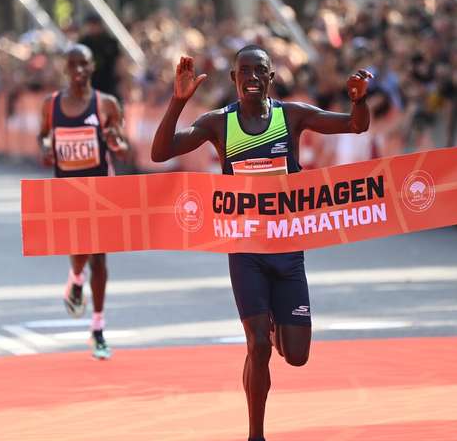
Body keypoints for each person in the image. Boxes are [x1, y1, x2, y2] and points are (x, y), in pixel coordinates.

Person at [151, 46, 372, 441]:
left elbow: (355, 126)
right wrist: (178, 102)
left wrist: (359, 101)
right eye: (244, 71)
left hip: (288, 252)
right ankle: (256, 434)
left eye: (260, 71)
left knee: (297, 356)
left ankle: (274, 330)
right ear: (234, 78)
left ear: (271, 78)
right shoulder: (219, 123)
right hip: (246, 250)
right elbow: (160, 152)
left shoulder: (291, 117)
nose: (252, 77)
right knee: (257, 346)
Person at [39, 43, 129, 360]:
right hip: (66, 190)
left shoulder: (106, 104)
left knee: (100, 258)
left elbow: (122, 142)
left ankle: (98, 328)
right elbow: (43, 135)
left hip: (100, 190)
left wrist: (117, 143)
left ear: (92, 68)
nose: (78, 71)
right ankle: (76, 280)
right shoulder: (51, 105)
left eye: (84, 65)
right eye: (72, 65)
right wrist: (47, 147)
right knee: (79, 253)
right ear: (66, 68)